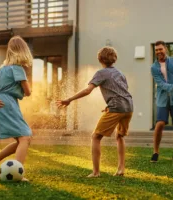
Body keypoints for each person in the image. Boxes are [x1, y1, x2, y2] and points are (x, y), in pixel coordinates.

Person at [56, 46, 133, 177]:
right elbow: (122, 91)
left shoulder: (101, 73)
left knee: (96, 136)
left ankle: (96, 172)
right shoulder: (120, 73)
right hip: (128, 107)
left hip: (116, 107)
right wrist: (110, 105)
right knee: (120, 136)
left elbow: (87, 90)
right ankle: (121, 169)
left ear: (100, 59)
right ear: (114, 59)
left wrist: (69, 99)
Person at [0, 36, 32, 181]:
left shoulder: (2, 68)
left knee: (23, 138)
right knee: (25, 137)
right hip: (8, 104)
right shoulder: (17, 69)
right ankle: (17, 173)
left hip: (0, 101)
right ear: (23, 51)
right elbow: (28, 92)